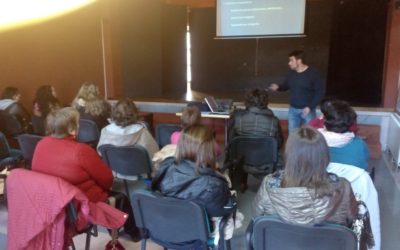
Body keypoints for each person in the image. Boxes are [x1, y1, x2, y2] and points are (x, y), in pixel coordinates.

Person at [31, 107, 141, 241]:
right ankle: (134, 233)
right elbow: (107, 180)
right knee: (121, 197)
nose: (79, 126)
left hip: (51, 204)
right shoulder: (80, 150)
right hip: (78, 205)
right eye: (77, 123)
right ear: (71, 129)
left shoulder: (41, 144)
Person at [252, 126, 358, 228]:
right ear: (324, 155)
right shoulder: (343, 188)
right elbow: (353, 222)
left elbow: (256, 218)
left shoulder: (269, 184)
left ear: (289, 155)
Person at [152, 124, 239, 246]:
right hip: (196, 236)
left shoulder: (165, 167)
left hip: (167, 227)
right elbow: (223, 210)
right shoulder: (213, 185)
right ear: (209, 149)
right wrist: (234, 200)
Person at [227, 88, 284, 191]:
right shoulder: (274, 121)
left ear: (247, 101)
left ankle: (241, 183)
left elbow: (231, 142)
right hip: (266, 162)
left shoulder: (237, 118)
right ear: (266, 102)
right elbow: (279, 143)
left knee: (238, 151)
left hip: (241, 162)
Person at [97, 98, 159, 179]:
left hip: (115, 175)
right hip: (140, 177)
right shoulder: (142, 132)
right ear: (134, 113)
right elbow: (155, 155)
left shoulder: (105, 131)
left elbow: (100, 152)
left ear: (114, 112)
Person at [269, 50, 325, 133]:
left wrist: (310, 107)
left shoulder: (313, 74)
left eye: (291, 60)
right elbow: (286, 86)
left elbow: (320, 92)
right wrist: (278, 87)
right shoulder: (291, 73)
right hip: (293, 110)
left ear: (299, 61)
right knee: (292, 134)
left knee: (309, 134)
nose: (289, 63)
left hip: (308, 110)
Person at [318, 100, 369, 170]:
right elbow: (363, 166)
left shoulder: (312, 145)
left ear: (324, 123)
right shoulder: (360, 144)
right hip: (352, 180)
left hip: (322, 180)